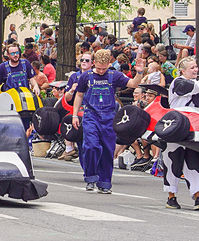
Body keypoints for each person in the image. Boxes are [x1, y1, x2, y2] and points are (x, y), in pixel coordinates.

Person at [72, 49, 145, 194]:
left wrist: (140, 72)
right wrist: (75, 115)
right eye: (98, 68)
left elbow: (132, 84)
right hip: (91, 115)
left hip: (109, 117)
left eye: (104, 68)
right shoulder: (85, 76)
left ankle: (104, 182)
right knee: (91, 146)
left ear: (109, 64)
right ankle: (90, 176)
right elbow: (79, 95)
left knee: (107, 150)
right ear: (93, 63)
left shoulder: (114, 75)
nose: (100, 71)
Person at [162, 56, 199, 209]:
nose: (196, 70)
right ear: (183, 71)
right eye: (192, 68)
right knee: (173, 159)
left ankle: (197, 194)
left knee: (194, 159)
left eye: (196, 67)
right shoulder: (179, 82)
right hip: (176, 124)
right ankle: (171, 196)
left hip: (194, 124)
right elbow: (191, 87)